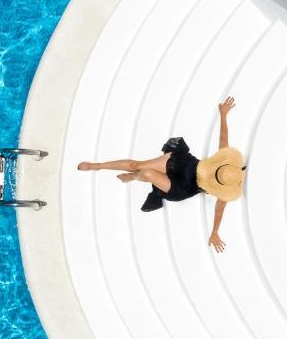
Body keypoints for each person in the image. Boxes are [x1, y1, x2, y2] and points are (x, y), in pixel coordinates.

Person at [77, 97, 245, 253]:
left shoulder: (224, 192)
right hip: (185, 163)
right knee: (137, 165)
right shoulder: (225, 164)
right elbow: (223, 138)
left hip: (183, 187)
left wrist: (215, 232)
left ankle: (133, 177)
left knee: (147, 174)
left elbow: (218, 211)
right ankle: (96, 166)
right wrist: (223, 114)